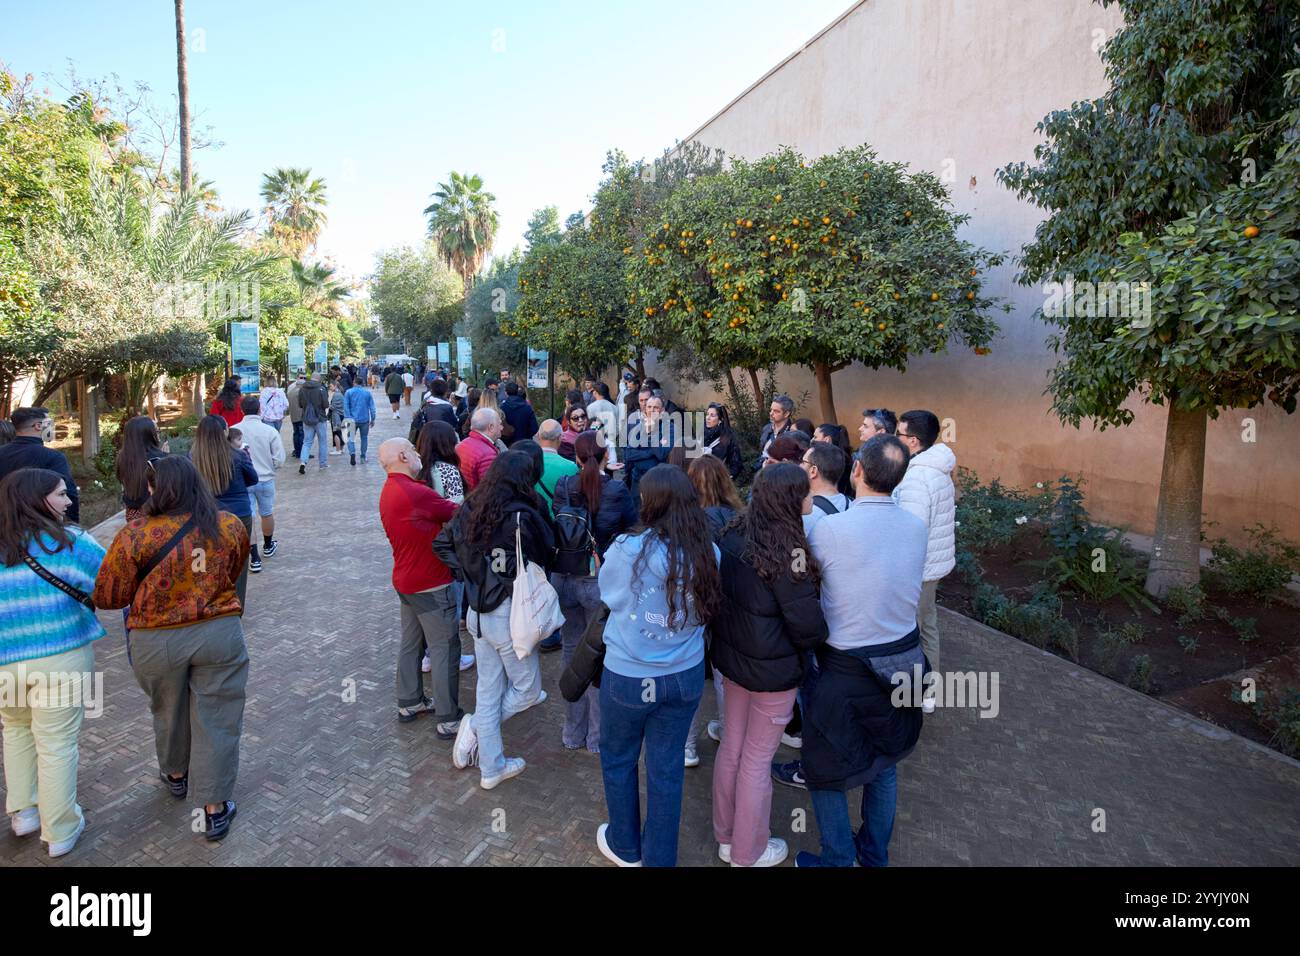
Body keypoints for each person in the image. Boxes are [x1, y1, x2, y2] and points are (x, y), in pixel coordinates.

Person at [93, 456, 250, 842]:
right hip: (217, 631)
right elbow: (235, 568)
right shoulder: (227, 524)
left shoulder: (135, 535)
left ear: (152, 489)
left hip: (155, 637)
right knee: (217, 716)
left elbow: (109, 596)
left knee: (167, 707)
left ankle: (176, 774)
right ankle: (214, 809)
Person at [793, 435, 927, 867]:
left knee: (825, 768)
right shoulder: (916, 527)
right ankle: (873, 855)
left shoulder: (830, 529)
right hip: (906, 659)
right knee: (884, 761)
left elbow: (808, 585)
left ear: (857, 471)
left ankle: (837, 858)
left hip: (847, 668)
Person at [594, 464, 722, 867]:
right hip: (683, 677)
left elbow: (610, 596)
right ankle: (659, 857)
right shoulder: (709, 551)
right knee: (666, 769)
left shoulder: (627, 550)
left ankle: (625, 845)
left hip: (629, 675)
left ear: (648, 503)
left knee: (618, 758)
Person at [712, 463, 828, 867]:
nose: (811, 497)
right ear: (791, 501)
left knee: (733, 748)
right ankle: (749, 851)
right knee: (757, 760)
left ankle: (727, 839)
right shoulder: (791, 555)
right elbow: (808, 626)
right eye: (806, 491)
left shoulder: (731, 535)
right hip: (774, 675)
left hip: (733, 663)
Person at [0, 467, 106, 858]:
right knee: (57, 743)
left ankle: (23, 811)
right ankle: (60, 828)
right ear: (37, 499)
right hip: (63, 657)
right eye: (61, 494)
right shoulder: (71, 542)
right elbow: (110, 584)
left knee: (15, 729)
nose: (68, 501)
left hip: (6, 661)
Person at [433, 452, 554, 790]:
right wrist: (485, 577)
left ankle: (491, 766)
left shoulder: (472, 507)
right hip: (510, 613)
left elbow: (442, 543)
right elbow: (549, 553)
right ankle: (475, 730)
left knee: (488, 690)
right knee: (528, 690)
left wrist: (471, 575)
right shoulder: (525, 514)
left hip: (477, 613)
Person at [551, 431, 637, 754]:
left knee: (571, 652)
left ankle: (572, 732)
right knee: (599, 658)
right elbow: (632, 530)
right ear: (604, 458)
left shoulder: (563, 486)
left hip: (564, 578)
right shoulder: (616, 489)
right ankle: (597, 738)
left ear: (576, 457)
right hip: (598, 581)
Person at [378, 438, 464, 734]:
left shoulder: (390, 489)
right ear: (403, 455)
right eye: (413, 451)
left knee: (411, 642)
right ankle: (448, 716)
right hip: (430, 583)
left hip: (406, 580)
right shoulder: (415, 492)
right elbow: (455, 511)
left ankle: (410, 700)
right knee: (445, 647)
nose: (418, 455)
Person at [894, 410, 957, 693]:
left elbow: (912, 531)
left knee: (915, 630)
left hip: (918, 569)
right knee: (928, 623)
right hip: (931, 566)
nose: (895, 438)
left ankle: (922, 690)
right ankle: (929, 687)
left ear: (914, 441)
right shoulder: (935, 469)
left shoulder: (918, 478)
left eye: (899, 434)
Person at [191, 414, 259, 606]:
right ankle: (235, 607)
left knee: (208, 562)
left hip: (206, 515)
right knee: (239, 565)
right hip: (239, 515)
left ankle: (210, 604)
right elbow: (253, 478)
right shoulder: (237, 455)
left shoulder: (192, 458)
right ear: (224, 432)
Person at [0, 408, 80, 524]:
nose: (52, 427)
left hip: (6, 526)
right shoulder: (52, 457)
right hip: (40, 526)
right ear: (38, 426)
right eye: (50, 423)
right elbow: (68, 494)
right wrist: (73, 527)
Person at [236, 395, 285, 573]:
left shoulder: (233, 430)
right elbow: (279, 459)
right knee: (266, 513)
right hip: (265, 478)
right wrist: (271, 467)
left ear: (242, 410)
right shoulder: (269, 431)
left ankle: (254, 556)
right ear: (259, 409)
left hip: (242, 481)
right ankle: (268, 544)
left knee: (249, 517)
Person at [116, 416, 169, 522]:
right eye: (157, 431)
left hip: (132, 515)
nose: (158, 434)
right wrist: (166, 457)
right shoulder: (158, 459)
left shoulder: (122, 458)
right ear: (148, 435)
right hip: (156, 514)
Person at [623, 394, 674, 499]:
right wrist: (650, 453)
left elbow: (662, 455)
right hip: (638, 480)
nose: (651, 410)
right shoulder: (638, 427)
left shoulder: (670, 429)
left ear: (662, 411)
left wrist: (652, 432)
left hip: (659, 481)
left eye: (656, 407)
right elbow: (628, 455)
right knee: (637, 513)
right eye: (649, 407)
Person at [800, 441, 849, 536]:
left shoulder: (806, 515)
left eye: (803, 462)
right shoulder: (852, 505)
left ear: (813, 471)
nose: (799, 466)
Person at [533, 419, 578, 518]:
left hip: (534, 521)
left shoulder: (529, 463)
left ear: (538, 436)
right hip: (560, 522)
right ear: (560, 438)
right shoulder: (571, 467)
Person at [456, 407, 502, 492]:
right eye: (500, 424)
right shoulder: (488, 455)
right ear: (491, 427)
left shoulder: (462, 444)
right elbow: (489, 490)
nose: (502, 428)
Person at [297, 372, 331, 474]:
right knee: (322, 441)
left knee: (307, 442)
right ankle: (323, 464)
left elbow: (300, 404)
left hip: (307, 418)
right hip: (320, 418)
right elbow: (325, 405)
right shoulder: (321, 388)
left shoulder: (302, 388)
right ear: (319, 379)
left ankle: (303, 462)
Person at [584, 381, 621, 471]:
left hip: (594, 443)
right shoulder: (614, 407)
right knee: (609, 469)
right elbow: (618, 427)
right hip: (610, 442)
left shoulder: (590, 407)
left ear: (595, 392)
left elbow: (588, 427)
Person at [408, 379, 458, 445]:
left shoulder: (426, 402)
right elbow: (453, 423)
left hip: (426, 438)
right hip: (442, 440)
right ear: (445, 391)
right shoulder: (447, 407)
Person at [702, 402, 743, 479]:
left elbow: (736, 463)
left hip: (717, 479)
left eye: (712, 415)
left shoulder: (727, 436)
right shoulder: (701, 432)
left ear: (720, 420)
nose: (708, 418)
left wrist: (726, 478)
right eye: (707, 414)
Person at [814, 424, 855, 499]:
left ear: (827, 439)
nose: (812, 440)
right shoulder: (843, 459)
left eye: (815, 437)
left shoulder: (835, 462)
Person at [343, 375, 377, 466]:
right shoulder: (367, 393)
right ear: (362, 383)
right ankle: (362, 457)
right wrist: (373, 419)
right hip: (364, 419)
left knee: (350, 438)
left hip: (351, 418)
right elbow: (372, 408)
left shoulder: (348, 392)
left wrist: (348, 417)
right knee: (364, 438)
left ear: (354, 382)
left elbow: (346, 407)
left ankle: (352, 453)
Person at [757, 394, 796, 468]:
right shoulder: (766, 428)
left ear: (786, 414)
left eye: (776, 411)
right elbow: (761, 452)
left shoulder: (792, 433)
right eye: (771, 410)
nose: (771, 413)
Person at [499, 381, 539, 446]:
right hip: (525, 443)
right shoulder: (527, 408)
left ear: (506, 393)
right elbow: (534, 429)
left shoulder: (502, 408)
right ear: (517, 391)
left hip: (508, 444)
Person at [286, 373, 307, 459]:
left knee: (296, 433)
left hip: (293, 415)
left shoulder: (290, 389)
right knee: (301, 434)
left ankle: (297, 451)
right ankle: (301, 452)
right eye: (302, 378)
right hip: (300, 415)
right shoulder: (301, 390)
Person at [328, 380, 346, 455]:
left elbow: (333, 407)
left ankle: (338, 449)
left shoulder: (336, 395)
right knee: (340, 432)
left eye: (331, 386)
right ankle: (341, 449)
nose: (330, 387)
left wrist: (327, 405)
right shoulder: (340, 394)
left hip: (336, 416)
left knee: (336, 432)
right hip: (340, 415)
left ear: (335, 386)